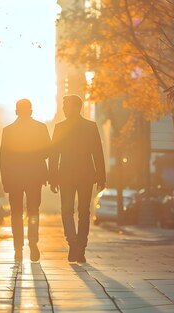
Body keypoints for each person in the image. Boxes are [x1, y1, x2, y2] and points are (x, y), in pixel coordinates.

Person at [49, 95, 106, 263]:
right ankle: (80, 247)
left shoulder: (60, 128)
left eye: (65, 106)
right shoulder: (90, 127)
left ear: (75, 107)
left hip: (66, 175)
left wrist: (53, 177)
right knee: (84, 212)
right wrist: (101, 177)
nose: (63, 109)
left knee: (67, 211)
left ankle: (73, 244)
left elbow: (54, 155)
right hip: (86, 175)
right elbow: (98, 153)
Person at [0, 99, 51, 262]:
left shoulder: (8, 130)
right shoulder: (40, 128)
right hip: (34, 176)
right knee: (33, 211)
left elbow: (3, 158)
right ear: (31, 110)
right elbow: (48, 152)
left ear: (16, 111)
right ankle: (33, 242)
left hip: (14, 177)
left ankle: (18, 248)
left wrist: (5, 180)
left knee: (16, 213)